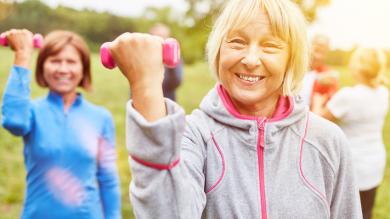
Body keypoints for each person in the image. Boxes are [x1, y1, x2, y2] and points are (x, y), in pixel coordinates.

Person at [108, 0, 362, 218]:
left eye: (270, 46)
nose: (251, 60)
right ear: (219, 50)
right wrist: (146, 85)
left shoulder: (327, 141)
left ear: (291, 59)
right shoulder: (194, 136)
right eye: (238, 42)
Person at [1, 29, 121, 219]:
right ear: (42, 67)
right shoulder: (32, 113)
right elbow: (14, 122)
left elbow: (108, 180)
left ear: (83, 69)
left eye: (71, 61)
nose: (63, 69)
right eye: (55, 60)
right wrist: (22, 56)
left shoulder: (101, 118)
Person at [312, 47, 388, 219]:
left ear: (357, 67)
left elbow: (316, 123)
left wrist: (318, 99)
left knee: (343, 213)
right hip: (375, 162)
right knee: (366, 211)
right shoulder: (384, 93)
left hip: (352, 166)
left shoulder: (348, 96)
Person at [300, 33, 339, 109]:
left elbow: (333, 103)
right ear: (308, 47)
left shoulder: (328, 74)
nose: (318, 57)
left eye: (323, 53)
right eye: (316, 50)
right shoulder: (294, 67)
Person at [149, 23, 183, 101]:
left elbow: (176, 82)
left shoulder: (175, 56)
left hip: (167, 100)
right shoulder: (143, 56)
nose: (160, 40)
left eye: (162, 36)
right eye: (155, 36)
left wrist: (171, 65)